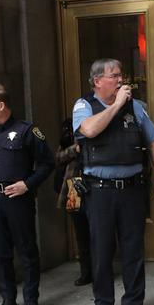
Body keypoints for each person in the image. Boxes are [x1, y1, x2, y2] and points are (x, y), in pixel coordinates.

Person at [73, 58, 154, 305]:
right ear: (97, 81)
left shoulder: (135, 107)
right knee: (101, 249)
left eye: (120, 75)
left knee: (133, 249)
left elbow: (153, 144)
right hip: (99, 191)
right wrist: (116, 106)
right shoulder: (84, 106)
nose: (120, 80)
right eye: (114, 76)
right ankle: (103, 303)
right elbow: (89, 130)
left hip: (131, 190)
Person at [0, 84, 55, 305]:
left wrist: (27, 184)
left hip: (18, 201)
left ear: (1, 105)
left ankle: (30, 300)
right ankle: (8, 300)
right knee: (1, 253)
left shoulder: (27, 131)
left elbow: (47, 163)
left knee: (27, 252)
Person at [55, 117, 93, 287]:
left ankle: (101, 269)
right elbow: (58, 157)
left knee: (99, 231)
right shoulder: (71, 132)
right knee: (80, 232)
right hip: (74, 186)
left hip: (96, 185)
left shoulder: (98, 128)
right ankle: (86, 272)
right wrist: (75, 149)